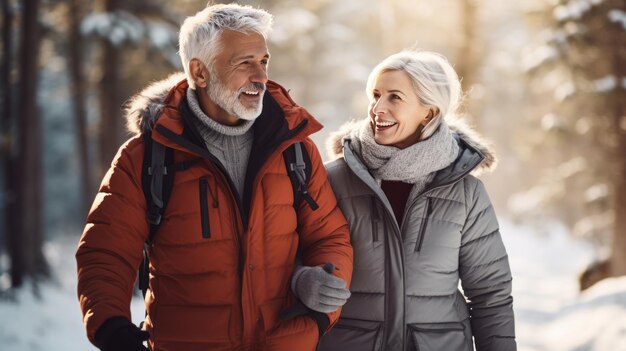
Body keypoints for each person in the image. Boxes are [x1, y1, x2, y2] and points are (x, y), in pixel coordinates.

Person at [76, 4, 353, 351]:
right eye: (244, 63)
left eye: (264, 61)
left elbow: (330, 235)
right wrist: (110, 325)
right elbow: (105, 251)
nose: (261, 76)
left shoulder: (295, 150)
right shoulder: (146, 157)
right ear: (200, 72)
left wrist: (321, 302)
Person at [319, 50, 516, 351]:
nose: (377, 108)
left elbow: (491, 294)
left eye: (394, 97)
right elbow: (292, 265)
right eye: (376, 95)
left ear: (429, 112)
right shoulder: (334, 180)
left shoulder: (465, 193)